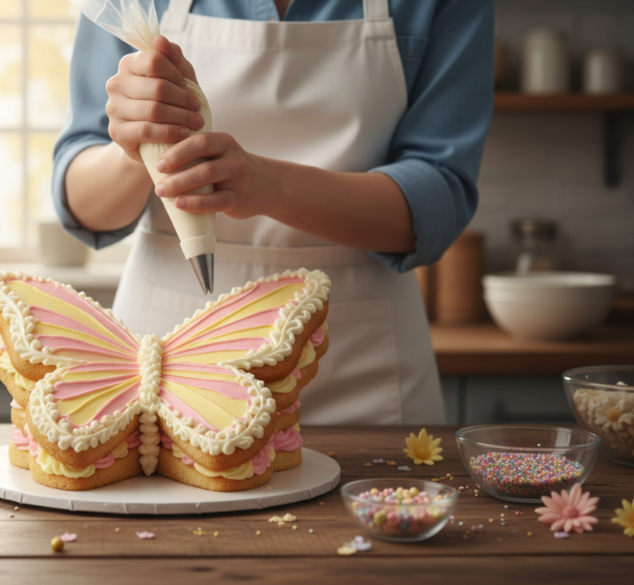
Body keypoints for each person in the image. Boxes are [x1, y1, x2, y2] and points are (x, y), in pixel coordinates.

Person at [51, 0, 493, 425]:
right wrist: (138, 146)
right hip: (170, 369)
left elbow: (437, 201)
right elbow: (83, 207)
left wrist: (271, 186)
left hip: (365, 378)